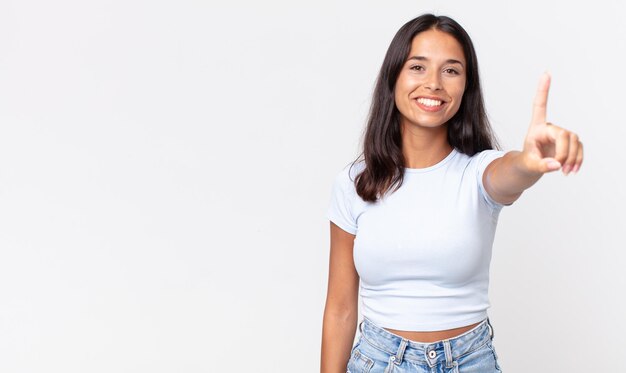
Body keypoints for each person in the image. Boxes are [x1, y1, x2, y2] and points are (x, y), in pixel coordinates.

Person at [320, 13, 583, 373]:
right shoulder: (354, 182)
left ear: (465, 86)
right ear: (393, 77)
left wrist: (529, 161)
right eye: (417, 67)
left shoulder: (478, 172)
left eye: (451, 70)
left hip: (470, 361)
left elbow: (509, 174)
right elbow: (340, 307)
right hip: (379, 361)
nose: (433, 84)